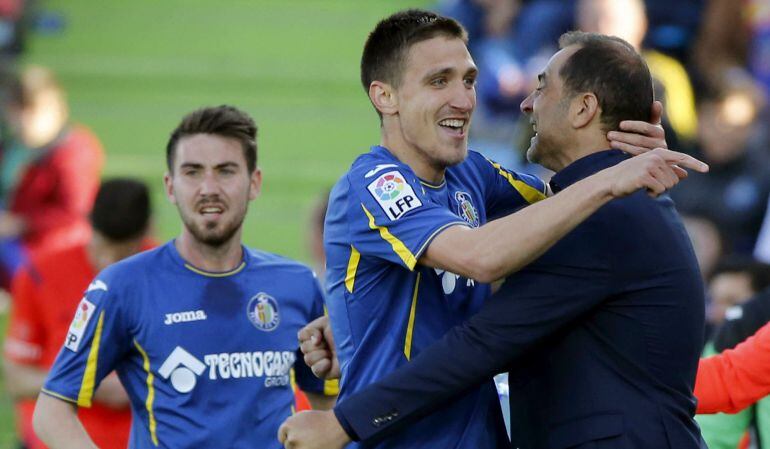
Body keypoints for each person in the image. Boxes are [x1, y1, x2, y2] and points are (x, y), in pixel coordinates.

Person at [280, 9, 706, 449]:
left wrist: (619, 158)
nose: (465, 100)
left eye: (468, 80)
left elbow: (559, 201)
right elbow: (480, 257)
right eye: (439, 81)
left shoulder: (474, 175)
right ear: (385, 96)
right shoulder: (375, 182)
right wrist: (613, 173)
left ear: (583, 108)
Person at [32, 105, 336, 449]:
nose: (209, 187)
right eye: (192, 172)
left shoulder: (296, 284)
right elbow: (52, 407)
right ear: (171, 186)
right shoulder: (123, 286)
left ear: (254, 183)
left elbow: (328, 405)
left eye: (225, 171)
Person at [3, 178, 154, 449]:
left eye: (122, 255)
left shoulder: (175, 275)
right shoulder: (40, 274)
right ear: (87, 223)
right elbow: (16, 379)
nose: (107, 262)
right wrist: (93, 386)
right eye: (101, 247)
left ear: (146, 232)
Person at [0, 66, 104, 287]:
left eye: (33, 112)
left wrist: (20, 223)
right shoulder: (14, 147)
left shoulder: (74, 150)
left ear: (56, 109)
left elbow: (75, 213)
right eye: (17, 113)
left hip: (54, 248)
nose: (23, 122)